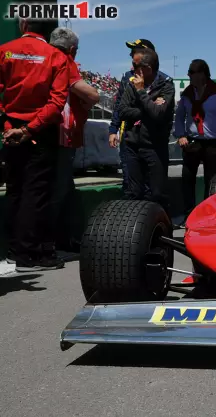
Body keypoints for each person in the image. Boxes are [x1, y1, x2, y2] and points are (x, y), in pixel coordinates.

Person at [0, 18, 69, 271]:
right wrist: (30, 129)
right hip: (40, 133)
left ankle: (14, 250)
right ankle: (29, 256)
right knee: (35, 194)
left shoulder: (4, 51)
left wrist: (8, 125)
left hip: (11, 130)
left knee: (15, 191)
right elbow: (57, 102)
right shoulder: (56, 57)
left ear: (23, 24)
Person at [48, 27, 100, 253]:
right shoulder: (65, 61)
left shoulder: (43, 58)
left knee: (57, 187)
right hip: (61, 133)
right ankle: (50, 241)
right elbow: (92, 95)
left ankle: (57, 238)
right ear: (72, 49)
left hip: (40, 131)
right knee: (59, 190)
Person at [174, 59, 216, 227]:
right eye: (189, 72)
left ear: (202, 74)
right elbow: (179, 117)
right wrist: (180, 135)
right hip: (192, 141)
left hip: (213, 142)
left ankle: (208, 216)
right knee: (187, 178)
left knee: (211, 180)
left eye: (192, 72)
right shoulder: (187, 94)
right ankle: (188, 214)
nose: (189, 75)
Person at [116, 47, 175, 212]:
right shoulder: (131, 83)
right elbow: (122, 110)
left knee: (157, 193)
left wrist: (142, 91)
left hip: (154, 146)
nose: (133, 70)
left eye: (136, 67)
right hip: (132, 144)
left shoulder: (166, 85)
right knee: (134, 193)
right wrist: (145, 111)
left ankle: (162, 231)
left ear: (148, 68)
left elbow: (158, 114)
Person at [109, 38, 159, 196]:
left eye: (135, 51)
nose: (131, 55)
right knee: (129, 179)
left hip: (151, 137)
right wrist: (113, 129)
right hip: (129, 135)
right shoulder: (127, 77)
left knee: (151, 183)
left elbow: (159, 110)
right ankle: (130, 216)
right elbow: (119, 107)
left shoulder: (161, 80)